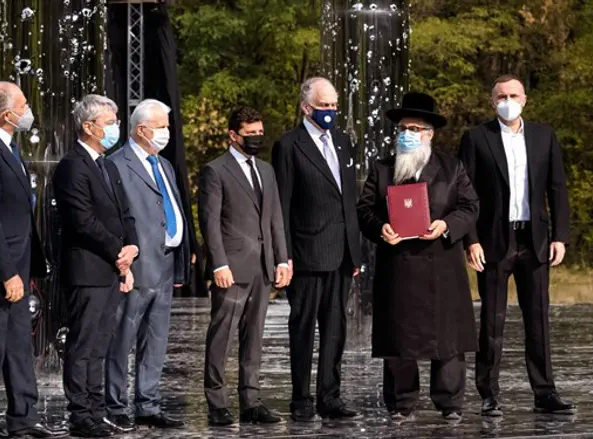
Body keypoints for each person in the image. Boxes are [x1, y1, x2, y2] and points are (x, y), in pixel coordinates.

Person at [357, 92, 479, 422]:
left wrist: (446, 225)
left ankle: (450, 403)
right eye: (403, 128)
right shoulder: (383, 169)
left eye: (415, 128)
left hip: (441, 265)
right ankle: (401, 402)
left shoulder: (452, 168)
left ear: (429, 133)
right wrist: (380, 227)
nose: (407, 133)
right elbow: (364, 210)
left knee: (448, 338)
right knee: (400, 339)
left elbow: (470, 207)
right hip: (399, 266)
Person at [458, 75, 574, 416]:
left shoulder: (543, 136)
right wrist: (471, 239)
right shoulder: (477, 138)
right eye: (501, 95)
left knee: (538, 319)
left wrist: (560, 236)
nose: (508, 100)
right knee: (492, 322)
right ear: (492, 101)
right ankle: (489, 394)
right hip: (494, 240)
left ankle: (545, 392)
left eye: (514, 94)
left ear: (525, 98)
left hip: (534, 239)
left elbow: (558, 188)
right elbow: (465, 193)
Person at [0, 81, 66, 439]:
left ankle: (23, 416)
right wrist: (6, 272)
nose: (28, 110)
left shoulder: (7, 146)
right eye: (23, 104)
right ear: (7, 113)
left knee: (19, 343)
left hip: (19, 264)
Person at [272, 77, 361, 421]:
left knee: (335, 329)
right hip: (306, 253)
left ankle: (330, 395)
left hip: (341, 253)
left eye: (334, 105)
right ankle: (301, 398)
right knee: (304, 327)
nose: (331, 112)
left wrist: (355, 251)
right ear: (306, 107)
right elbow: (282, 202)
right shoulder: (289, 145)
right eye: (324, 106)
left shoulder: (342, 142)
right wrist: (285, 254)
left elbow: (348, 199)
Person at [53, 94, 139, 437]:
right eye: (109, 123)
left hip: (111, 268)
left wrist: (131, 248)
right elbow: (81, 221)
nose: (115, 129)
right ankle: (80, 413)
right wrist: (119, 250)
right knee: (83, 345)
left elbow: (125, 212)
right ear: (88, 126)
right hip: (88, 269)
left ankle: (97, 408)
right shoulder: (72, 165)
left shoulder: (108, 164)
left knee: (101, 344)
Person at [200, 106, 291, 426]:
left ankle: (251, 401)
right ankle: (216, 402)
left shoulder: (266, 170)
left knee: (254, 337)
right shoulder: (215, 170)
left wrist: (282, 258)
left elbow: (276, 218)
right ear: (233, 135)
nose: (256, 139)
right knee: (221, 336)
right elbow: (210, 223)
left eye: (259, 133)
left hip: (262, 268)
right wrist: (218, 264)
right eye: (250, 134)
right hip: (231, 268)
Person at [104, 100, 190, 431]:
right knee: (122, 338)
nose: (167, 133)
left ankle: (148, 404)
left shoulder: (164, 165)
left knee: (156, 339)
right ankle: (114, 403)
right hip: (136, 267)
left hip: (166, 265)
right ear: (142, 129)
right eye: (162, 127)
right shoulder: (117, 165)